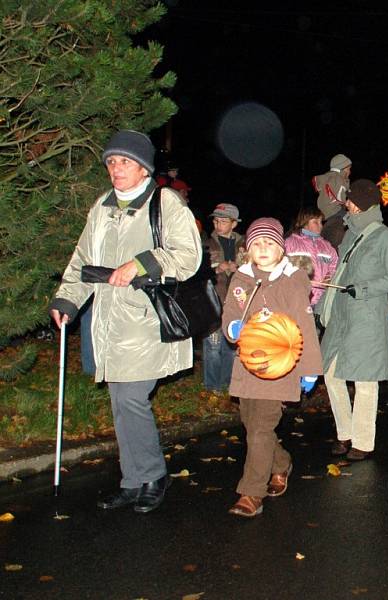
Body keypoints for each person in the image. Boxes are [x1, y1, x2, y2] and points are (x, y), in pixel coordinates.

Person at [48, 130, 201, 513]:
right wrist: (68, 299)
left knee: (131, 398)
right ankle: (133, 481)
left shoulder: (165, 202)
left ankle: (152, 475)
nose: (116, 169)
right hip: (108, 322)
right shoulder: (101, 207)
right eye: (112, 162)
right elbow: (83, 259)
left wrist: (141, 263)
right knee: (121, 402)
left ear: (143, 168)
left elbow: (188, 255)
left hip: (148, 320)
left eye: (125, 162)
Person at [221, 218, 322, 517]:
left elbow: (305, 326)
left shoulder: (292, 281)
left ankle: (251, 493)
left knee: (261, 429)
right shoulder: (241, 279)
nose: (263, 249)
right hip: (248, 366)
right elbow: (230, 313)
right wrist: (232, 328)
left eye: (269, 244)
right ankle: (281, 463)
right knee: (253, 426)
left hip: (280, 367)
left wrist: (310, 368)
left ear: (281, 250)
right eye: (256, 244)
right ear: (248, 250)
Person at [320, 179, 388, 460]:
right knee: (332, 375)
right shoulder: (350, 234)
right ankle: (344, 433)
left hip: (366, 318)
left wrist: (365, 289)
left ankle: (363, 441)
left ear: (360, 203)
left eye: (350, 200)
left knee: (365, 381)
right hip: (341, 317)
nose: (347, 203)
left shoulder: (384, 237)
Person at [203, 203, 245, 394]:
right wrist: (217, 268)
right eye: (216, 220)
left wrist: (240, 268)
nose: (218, 224)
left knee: (230, 344)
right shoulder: (206, 242)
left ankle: (227, 383)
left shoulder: (244, 244)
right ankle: (212, 386)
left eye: (223, 221)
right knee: (213, 344)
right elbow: (198, 270)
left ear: (234, 224)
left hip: (236, 303)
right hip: (212, 300)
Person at [284, 206, 339, 332]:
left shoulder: (326, 246)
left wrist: (330, 277)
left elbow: (335, 265)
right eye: (315, 222)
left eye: (321, 222)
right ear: (305, 223)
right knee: (295, 336)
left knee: (313, 338)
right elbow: (282, 268)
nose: (320, 225)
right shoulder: (290, 243)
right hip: (298, 300)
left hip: (320, 302)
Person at [313, 154, 352, 248]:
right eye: (348, 169)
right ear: (342, 169)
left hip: (326, 213)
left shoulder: (328, 178)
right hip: (336, 211)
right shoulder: (338, 179)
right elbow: (343, 196)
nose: (350, 172)